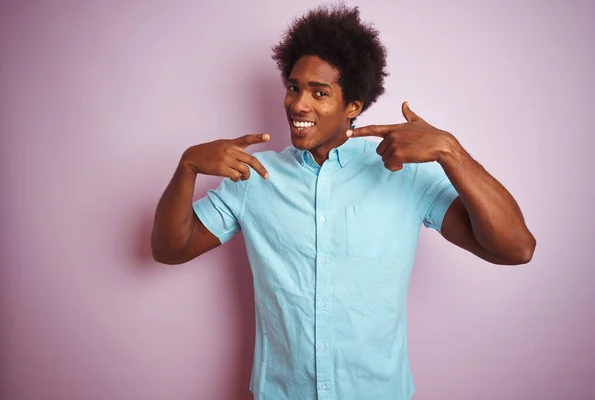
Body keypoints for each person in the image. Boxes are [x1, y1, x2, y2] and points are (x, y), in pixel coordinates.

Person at [151, 4, 536, 399]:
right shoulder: (253, 177)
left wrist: (451, 152)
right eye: (294, 87)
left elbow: (516, 248)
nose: (299, 104)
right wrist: (188, 167)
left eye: (320, 93)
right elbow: (169, 249)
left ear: (352, 106)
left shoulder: (402, 172)